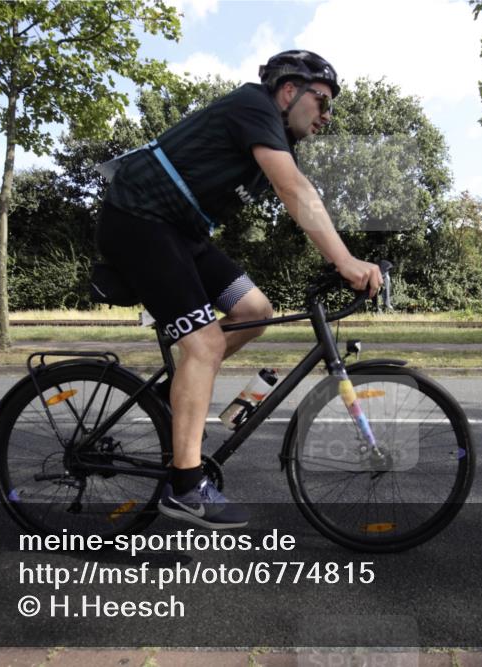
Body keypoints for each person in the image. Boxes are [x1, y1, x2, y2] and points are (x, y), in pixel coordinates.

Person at [95, 50, 383, 530]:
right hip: (139, 219)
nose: (327, 117)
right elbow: (295, 191)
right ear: (288, 91)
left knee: (254, 309)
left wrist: (335, 258)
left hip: (182, 231)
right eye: (323, 101)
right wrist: (345, 260)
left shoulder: (271, 137)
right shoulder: (254, 105)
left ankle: (177, 392)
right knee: (205, 342)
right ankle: (185, 487)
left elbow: (299, 198)